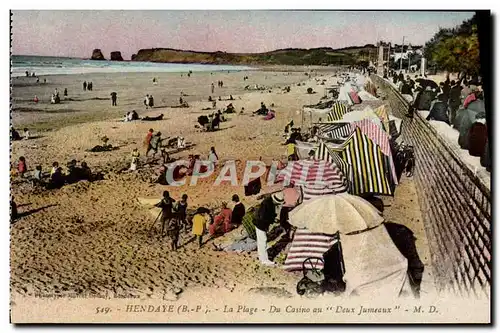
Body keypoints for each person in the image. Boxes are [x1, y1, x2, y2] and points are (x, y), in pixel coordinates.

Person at [254, 192, 284, 266]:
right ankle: (264, 260)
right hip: (261, 224)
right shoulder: (268, 204)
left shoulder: (268, 202)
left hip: (260, 223)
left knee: (262, 240)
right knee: (262, 241)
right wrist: (272, 220)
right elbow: (263, 216)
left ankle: (262, 256)